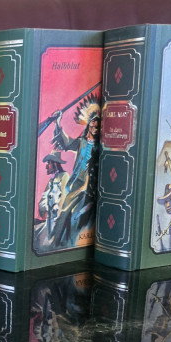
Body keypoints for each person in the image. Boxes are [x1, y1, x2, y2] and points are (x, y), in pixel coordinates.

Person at [51, 101, 100, 246]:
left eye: (98, 125)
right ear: (88, 124)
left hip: (92, 184)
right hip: (76, 183)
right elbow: (66, 142)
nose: (95, 127)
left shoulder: (100, 146)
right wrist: (57, 121)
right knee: (65, 211)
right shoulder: (81, 142)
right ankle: (57, 242)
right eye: (93, 123)